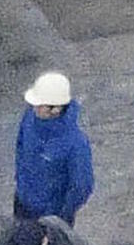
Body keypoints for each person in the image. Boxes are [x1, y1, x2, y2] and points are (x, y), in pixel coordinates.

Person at [12, 72, 94, 225]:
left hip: (51, 218)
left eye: (39, 105)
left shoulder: (75, 143)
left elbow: (82, 186)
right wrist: (20, 185)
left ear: (55, 109)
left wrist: (60, 220)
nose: (34, 107)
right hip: (23, 205)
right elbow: (20, 148)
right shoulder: (30, 117)